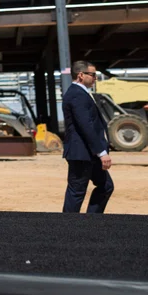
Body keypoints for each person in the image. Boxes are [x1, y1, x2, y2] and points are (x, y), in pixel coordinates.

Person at [62, 61, 112, 214]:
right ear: (81, 75)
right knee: (76, 191)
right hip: (81, 153)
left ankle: (91, 221)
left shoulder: (81, 93)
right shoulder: (76, 94)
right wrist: (102, 152)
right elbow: (86, 125)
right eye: (93, 74)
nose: (96, 78)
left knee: (106, 186)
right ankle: (66, 228)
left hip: (89, 153)